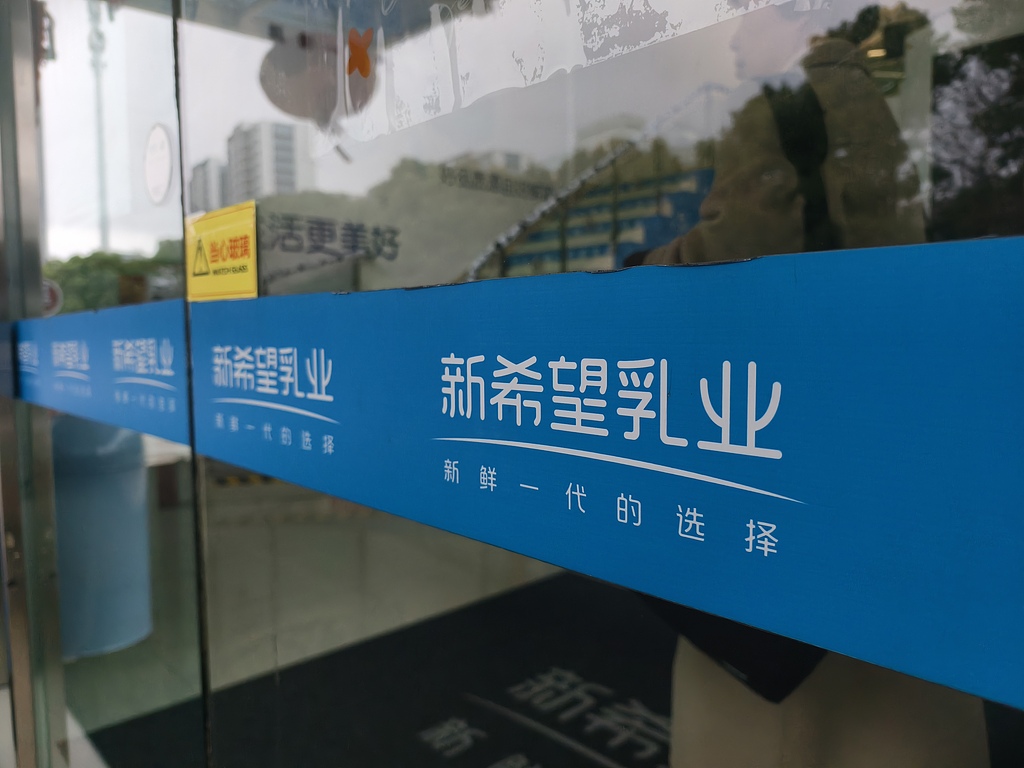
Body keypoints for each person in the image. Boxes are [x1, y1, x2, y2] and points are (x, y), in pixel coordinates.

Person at [644, 3, 994, 766]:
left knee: (756, 698)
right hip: (871, 445)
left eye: (747, 16)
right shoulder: (855, 91)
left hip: (770, 434)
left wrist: (645, 275)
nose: (734, 38)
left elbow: (741, 244)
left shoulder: (775, 100)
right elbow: (885, 238)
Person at [644, 1, 926, 267]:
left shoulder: (770, 104)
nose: (734, 40)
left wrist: (647, 262)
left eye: (745, 18)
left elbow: (734, 243)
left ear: (800, 13)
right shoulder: (863, 94)